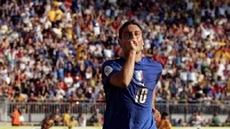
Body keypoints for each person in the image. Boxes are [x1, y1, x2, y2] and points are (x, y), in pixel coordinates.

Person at [101, 20, 163, 129]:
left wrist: (152, 107)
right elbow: (124, 81)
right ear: (120, 42)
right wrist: (132, 53)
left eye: (137, 34)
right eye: (128, 35)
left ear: (142, 41)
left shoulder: (155, 67)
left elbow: (151, 88)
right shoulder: (110, 66)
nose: (133, 38)